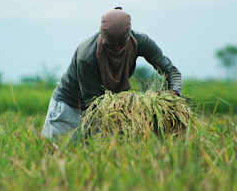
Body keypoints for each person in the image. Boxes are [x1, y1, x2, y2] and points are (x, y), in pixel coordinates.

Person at [41, 7, 182, 140]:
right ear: (103, 37)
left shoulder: (141, 42)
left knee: (105, 157)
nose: (117, 49)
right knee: (56, 153)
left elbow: (170, 70)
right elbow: (94, 102)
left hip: (107, 109)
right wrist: (134, 106)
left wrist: (174, 92)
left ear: (128, 36)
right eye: (111, 45)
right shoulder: (86, 56)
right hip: (70, 107)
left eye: (122, 45)